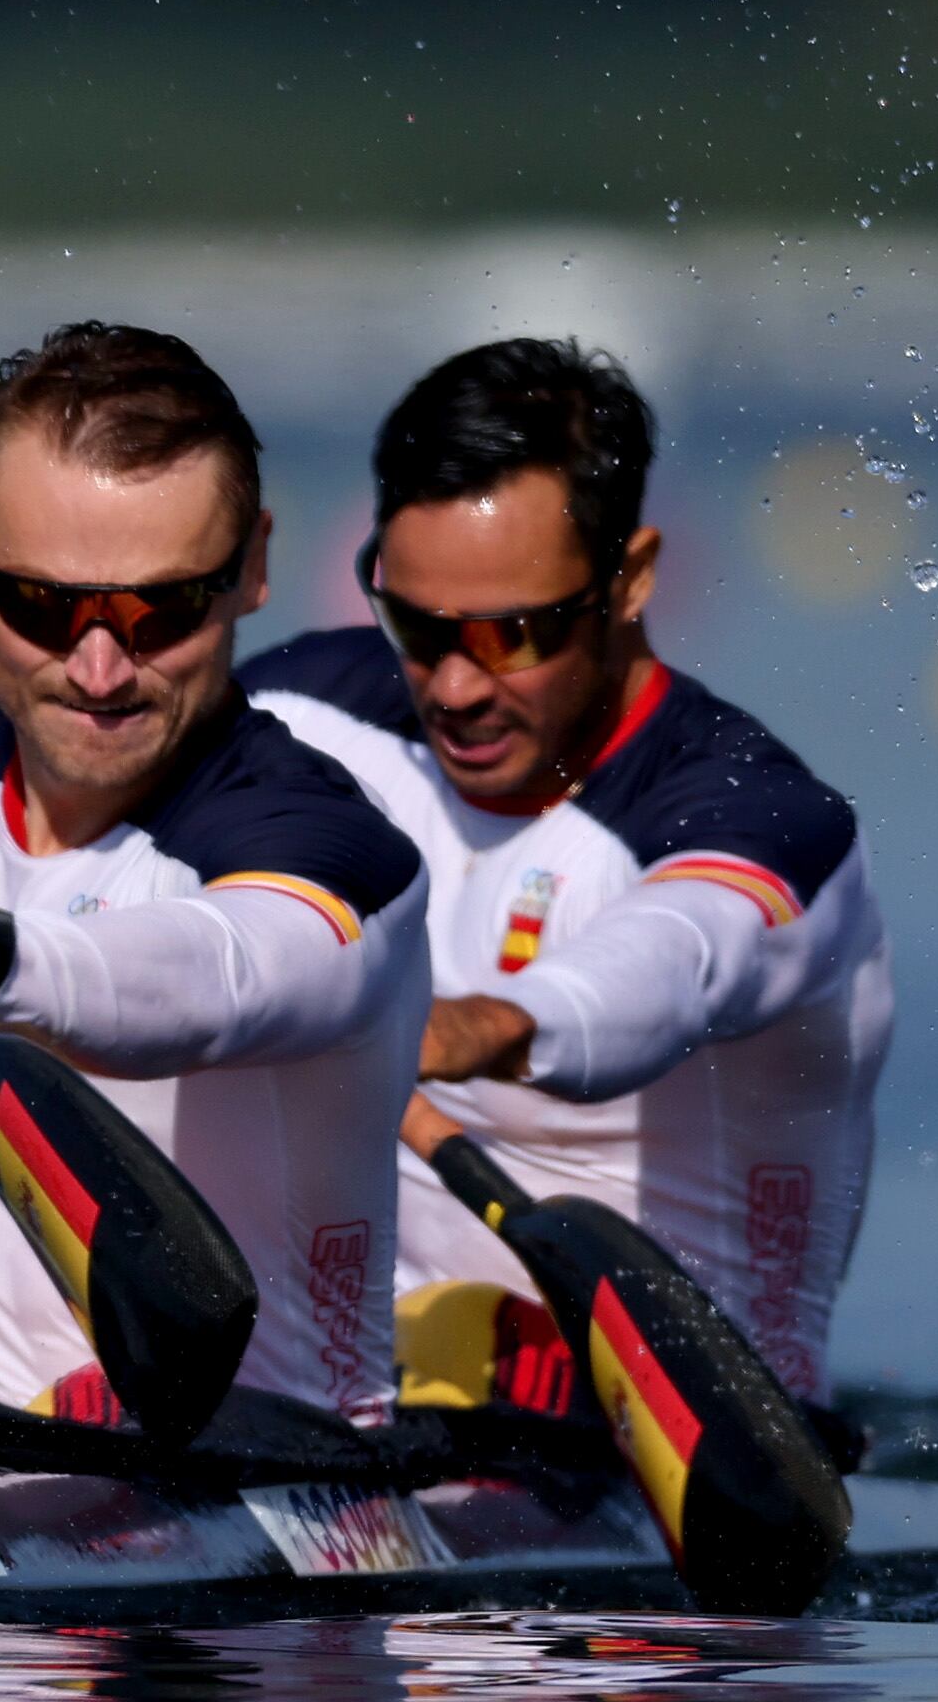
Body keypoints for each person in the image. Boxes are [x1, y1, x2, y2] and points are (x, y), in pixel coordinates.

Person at [0, 324, 430, 1424]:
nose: (100, 670)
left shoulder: (328, 845)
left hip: (250, 1476)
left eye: (160, 611)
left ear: (253, 566)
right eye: (43, 606)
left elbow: (217, 970)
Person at [240, 338, 894, 1402]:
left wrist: (480, 1026)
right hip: (381, 1382)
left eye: (510, 634)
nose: (453, 687)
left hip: (674, 1426)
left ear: (629, 579)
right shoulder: (304, 711)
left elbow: (667, 962)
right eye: (414, 624)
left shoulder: (759, 823)